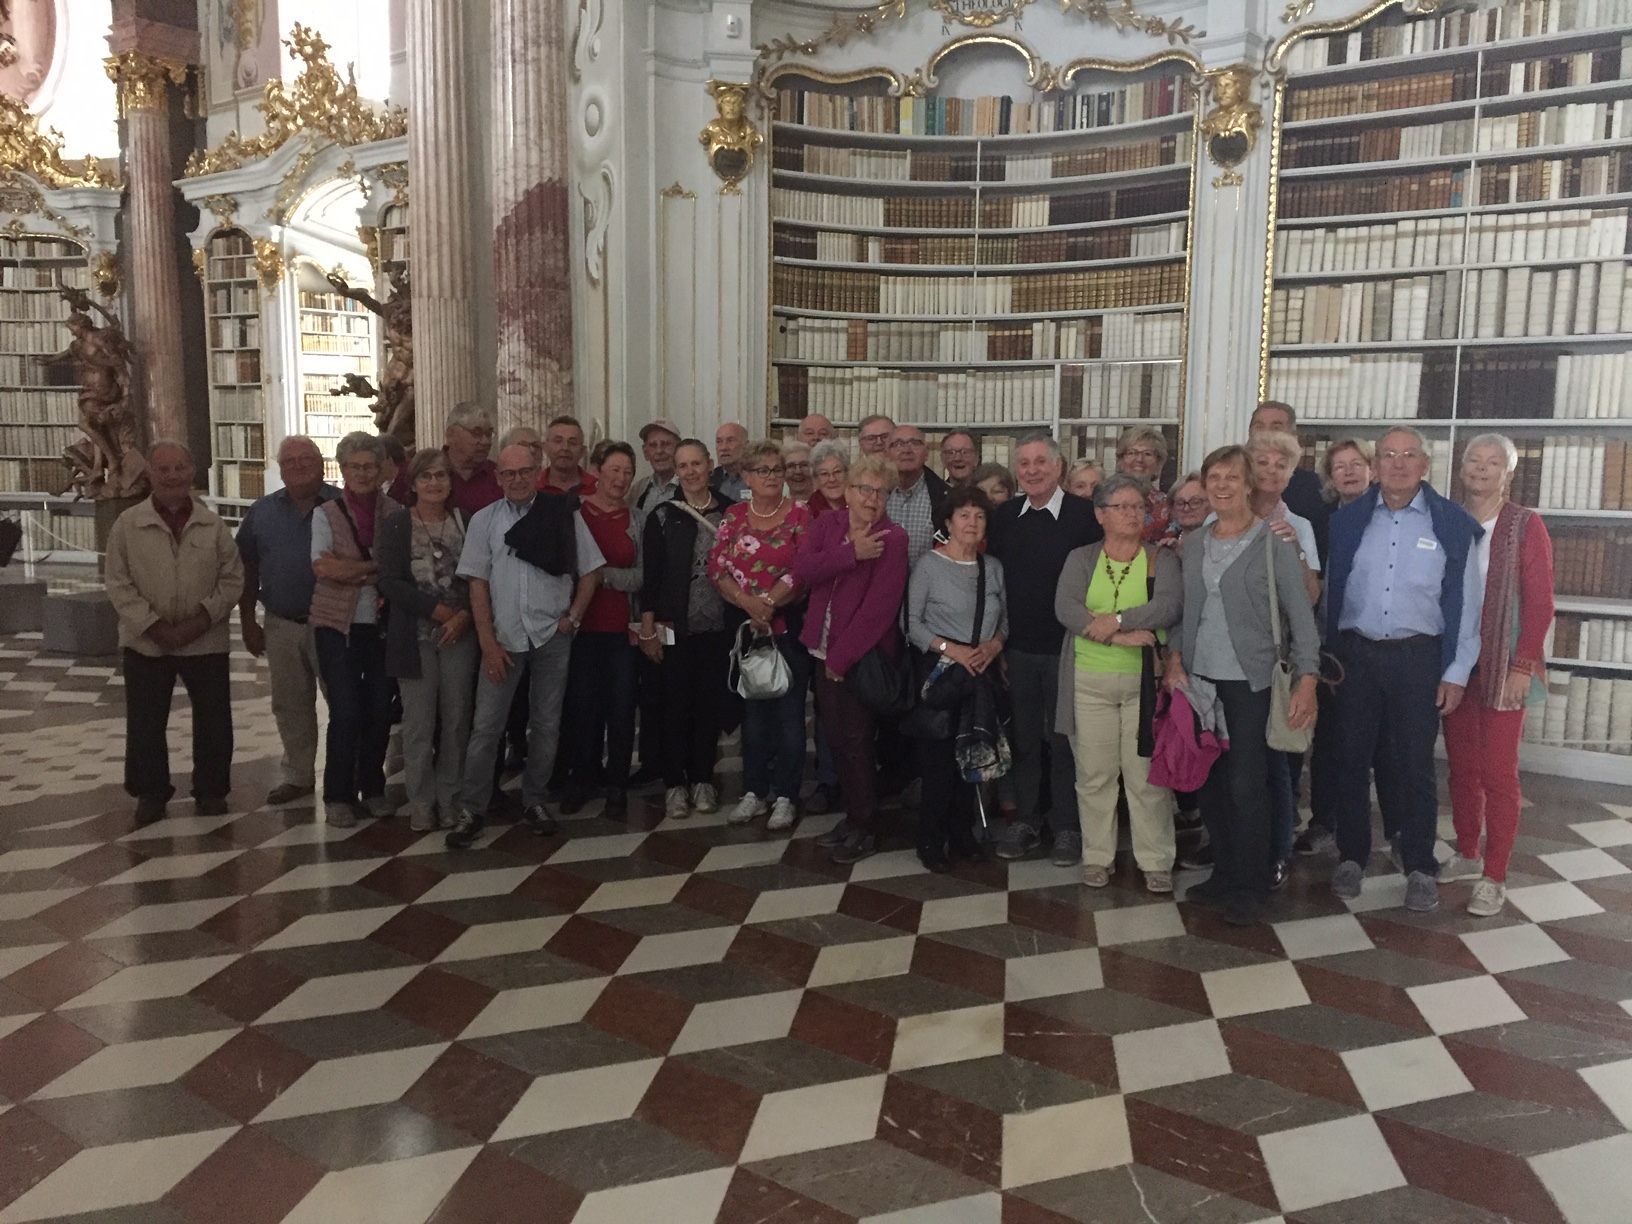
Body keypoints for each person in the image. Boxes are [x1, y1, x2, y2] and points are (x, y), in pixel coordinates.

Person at [1326, 426, 1483, 914]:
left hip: (1419, 659)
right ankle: (1351, 855)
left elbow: (1468, 603)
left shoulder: (1450, 523)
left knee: (1414, 765)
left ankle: (1419, 865)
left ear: (1425, 465)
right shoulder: (1349, 520)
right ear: (1376, 464)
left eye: (1408, 455)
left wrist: (1457, 670)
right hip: (1355, 656)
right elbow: (1331, 590)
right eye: (1388, 455)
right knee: (1349, 761)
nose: (1397, 463)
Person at [1166, 445, 1320, 926]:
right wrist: (1173, 660)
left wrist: (1308, 681)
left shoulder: (1274, 543)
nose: (1222, 485)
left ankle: (1252, 883)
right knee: (1210, 784)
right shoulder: (1194, 544)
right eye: (1214, 477)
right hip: (1200, 681)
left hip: (1252, 683)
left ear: (1249, 484)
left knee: (1247, 784)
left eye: (1232, 477)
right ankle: (1225, 874)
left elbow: (1301, 617)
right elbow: (1182, 612)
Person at [448, 443, 605, 847]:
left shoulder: (561, 513)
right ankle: (472, 807)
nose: (516, 480)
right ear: (498, 476)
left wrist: (574, 616)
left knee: (547, 723)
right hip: (504, 638)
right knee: (486, 727)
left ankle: (535, 800)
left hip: (552, 634)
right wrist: (487, 641)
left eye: (524, 472)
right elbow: (477, 583)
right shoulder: (484, 521)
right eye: (508, 473)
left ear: (538, 472)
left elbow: (591, 570)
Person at [1442, 433, 1554, 917]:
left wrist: (1523, 665)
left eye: (1493, 463)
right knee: (1462, 767)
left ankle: (1494, 875)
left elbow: (1541, 602)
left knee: (1498, 773)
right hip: (1455, 665)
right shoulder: (1447, 517)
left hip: (1506, 664)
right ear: (1461, 467)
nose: (1481, 470)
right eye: (1474, 460)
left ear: (1508, 473)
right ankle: (1467, 852)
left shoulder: (1525, 525)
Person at [1053, 474, 1182, 891]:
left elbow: (1167, 606)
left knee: (1145, 776)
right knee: (1094, 774)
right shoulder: (1080, 558)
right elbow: (1066, 608)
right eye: (1121, 507)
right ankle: (1096, 857)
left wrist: (1121, 619)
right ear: (1100, 515)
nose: (1132, 514)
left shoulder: (1161, 559)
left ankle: (1156, 860)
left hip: (1142, 684)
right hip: (1088, 680)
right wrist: (1121, 634)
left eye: (1136, 506)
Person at [106, 441, 243, 823]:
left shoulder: (213, 525)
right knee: (146, 722)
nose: (172, 476)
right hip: (147, 642)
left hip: (206, 639)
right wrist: (154, 627)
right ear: (150, 472)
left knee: (214, 720)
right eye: (163, 469)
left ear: (192, 471)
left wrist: (202, 619)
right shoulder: (127, 525)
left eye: (179, 468)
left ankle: (212, 790)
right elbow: (118, 583)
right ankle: (150, 792)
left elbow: (232, 579)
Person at [986, 433, 1103, 864]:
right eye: (1024, 464)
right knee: (1025, 739)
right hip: (1018, 649)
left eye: (1041, 462)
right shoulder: (1003, 517)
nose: (1032, 470)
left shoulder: (1084, 516)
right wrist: (998, 644)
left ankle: (1068, 826)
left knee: (1065, 740)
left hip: (1070, 650)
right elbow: (995, 585)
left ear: (1059, 468)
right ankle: (1028, 820)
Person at [790, 453, 910, 864]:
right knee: (836, 738)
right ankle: (853, 817)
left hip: (860, 657)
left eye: (882, 492)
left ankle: (865, 825)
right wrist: (850, 553)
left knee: (858, 741)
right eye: (865, 489)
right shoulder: (828, 524)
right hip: (820, 648)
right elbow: (802, 568)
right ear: (849, 490)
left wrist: (840, 660)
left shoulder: (893, 538)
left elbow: (880, 609)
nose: (872, 499)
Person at [710, 440, 813, 831]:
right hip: (747, 630)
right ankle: (754, 791)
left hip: (788, 628)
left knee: (789, 716)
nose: (772, 477)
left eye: (777, 469)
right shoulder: (734, 516)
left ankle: (786, 795)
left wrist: (768, 602)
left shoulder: (801, 515)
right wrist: (749, 604)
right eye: (764, 470)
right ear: (747, 476)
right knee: (753, 716)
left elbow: (803, 568)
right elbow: (717, 567)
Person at [905, 485, 1007, 871]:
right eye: (963, 515)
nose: (972, 522)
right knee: (938, 764)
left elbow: (1006, 621)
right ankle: (930, 840)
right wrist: (953, 650)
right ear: (947, 523)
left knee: (972, 757)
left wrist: (994, 646)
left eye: (979, 516)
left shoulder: (993, 567)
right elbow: (911, 625)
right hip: (941, 674)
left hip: (981, 674)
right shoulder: (928, 565)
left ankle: (963, 835)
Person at [236, 435, 339, 807]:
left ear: (321, 463)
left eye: (305, 458)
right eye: (289, 461)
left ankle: (347, 777)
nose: (298, 465)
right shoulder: (262, 512)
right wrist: (248, 619)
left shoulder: (340, 505)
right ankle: (297, 774)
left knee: (343, 702)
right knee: (290, 703)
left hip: (334, 624)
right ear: (280, 469)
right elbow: (246, 567)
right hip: (281, 623)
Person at [376, 449, 475, 831]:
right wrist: (437, 611)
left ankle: (449, 798)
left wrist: (463, 614)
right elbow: (389, 581)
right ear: (413, 482)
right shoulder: (398, 524)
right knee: (418, 725)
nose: (435, 483)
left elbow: (478, 573)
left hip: (460, 636)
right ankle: (421, 800)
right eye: (426, 476)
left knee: (455, 721)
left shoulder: (463, 521)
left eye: (441, 476)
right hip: (414, 637)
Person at [1299, 436, 1388, 857]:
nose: (1350, 472)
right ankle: (1323, 820)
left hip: (1374, 642)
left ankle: (1383, 829)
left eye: (1357, 464)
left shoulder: (1387, 516)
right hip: (1327, 641)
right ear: (1330, 478)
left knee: (1374, 742)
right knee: (1328, 739)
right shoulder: (1321, 520)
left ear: (1372, 469)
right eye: (1340, 466)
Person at [309, 432, 401, 827]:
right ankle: (337, 794)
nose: (362, 473)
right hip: (336, 625)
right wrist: (370, 569)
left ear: (381, 470)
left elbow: (399, 569)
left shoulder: (396, 511)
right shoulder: (325, 514)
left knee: (379, 709)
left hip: (381, 625)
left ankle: (374, 788)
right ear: (342, 469)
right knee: (345, 711)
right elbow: (324, 568)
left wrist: (353, 570)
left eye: (369, 466)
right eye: (354, 466)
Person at [641, 439, 733, 819]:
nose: (691, 471)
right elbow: (652, 579)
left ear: (709, 465)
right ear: (676, 472)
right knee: (673, 705)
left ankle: (702, 778)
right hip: (673, 625)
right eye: (684, 466)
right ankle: (675, 784)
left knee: (707, 706)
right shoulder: (662, 516)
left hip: (718, 627)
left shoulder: (732, 513)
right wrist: (648, 631)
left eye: (697, 463)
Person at [1246, 429, 1323, 883]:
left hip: (1280, 659)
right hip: (1233, 655)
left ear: (1292, 474)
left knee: (1278, 760)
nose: (1272, 471)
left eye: (1282, 465)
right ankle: (1234, 842)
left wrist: (1293, 546)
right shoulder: (1229, 515)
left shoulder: (1303, 526)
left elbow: (1310, 597)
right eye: (1264, 462)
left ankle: (1277, 851)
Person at [561, 441, 644, 816]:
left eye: (627, 472)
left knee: (622, 707)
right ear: (598, 471)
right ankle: (582, 779)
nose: (621, 478)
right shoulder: (574, 511)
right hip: (579, 626)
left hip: (620, 628)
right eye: (614, 470)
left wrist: (601, 576)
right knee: (582, 706)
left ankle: (617, 785)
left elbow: (642, 576)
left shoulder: (637, 518)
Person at [1254, 400, 1330, 565]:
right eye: (1259, 427)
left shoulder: (1311, 488)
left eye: (1276, 427)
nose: (1267, 433)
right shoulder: (1231, 489)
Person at [886, 424, 949, 566]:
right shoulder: (874, 495)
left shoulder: (945, 497)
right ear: (887, 453)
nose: (906, 450)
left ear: (926, 453)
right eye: (898, 444)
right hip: (882, 585)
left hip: (929, 585)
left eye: (915, 443)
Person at [1114, 426, 1173, 544]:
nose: (1139, 459)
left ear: (1158, 464)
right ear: (1120, 461)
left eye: (1147, 454)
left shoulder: (1167, 506)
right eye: (1131, 452)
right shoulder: (1104, 499)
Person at [444, 401, 502, 515]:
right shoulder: (425, 473)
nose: (486, 442)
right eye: (476, 433)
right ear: (451, 434)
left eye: (489, 434)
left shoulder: (498, 475)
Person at [632, 417, 681, 512]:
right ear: (645, 453)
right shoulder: (637, 491)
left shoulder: (691, 485)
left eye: (666, 444)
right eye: (653, 445)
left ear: (679, 449)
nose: (659, 451)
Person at [540, 414, 597, 496]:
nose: (565, 448)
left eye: (572, 443)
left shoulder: (597, 489)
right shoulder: (532, 488)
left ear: (582, 451)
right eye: (558, 441)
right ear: (545, 447)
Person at [808, 439, 849, 516]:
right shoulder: (806, 513)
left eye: (837, 472)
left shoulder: (860, 507)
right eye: (824, 474)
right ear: (816, 479)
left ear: (847, 473)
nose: (832, 479)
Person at [713, 421, 749, 501]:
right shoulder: (710, 480)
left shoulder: (758, 477)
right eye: (719, 442)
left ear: (746, 446)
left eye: (730, 441)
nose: (723, 448)